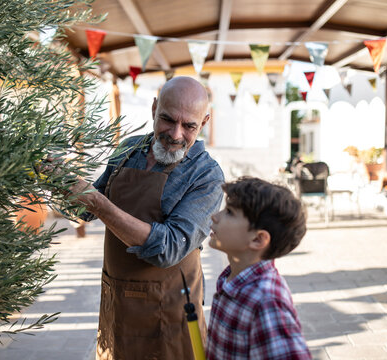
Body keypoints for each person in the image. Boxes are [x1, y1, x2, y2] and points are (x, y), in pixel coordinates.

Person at [63, 76, 224, 359]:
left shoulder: (206, 175)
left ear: (205, 122)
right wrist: (57, 179)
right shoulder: (129, 150)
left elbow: (168, 248)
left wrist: (100, 204)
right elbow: (85, 209)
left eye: (189, 126)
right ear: (153, 109)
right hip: (118, 303)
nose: (175, 134)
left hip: (170, 313)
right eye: (167, 119)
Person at [206, 177, 311, 360]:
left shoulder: (266, 301)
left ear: (258, 239)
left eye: (230, 212)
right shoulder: (231, 280)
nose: (215, 216)